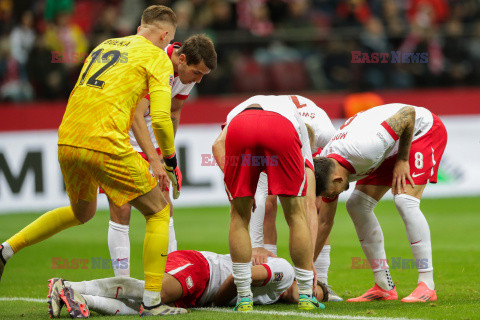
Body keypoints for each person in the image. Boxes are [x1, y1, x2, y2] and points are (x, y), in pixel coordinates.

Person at [0, 5, 186, 317]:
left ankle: (5, 250)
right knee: (158, 211)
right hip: (104, 141)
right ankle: (154, 303)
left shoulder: (105, 45)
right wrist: (167, 159)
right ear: (165, 35)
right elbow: (162, 121)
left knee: (81, 211)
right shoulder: (157, 57)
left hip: (68, 137)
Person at [105, 34, 217, 277]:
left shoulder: (185, 73)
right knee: (121, 208)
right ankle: (121, 283)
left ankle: (171, 277)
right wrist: (156, 161)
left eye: (202, 76)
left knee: (165, 207)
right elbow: (136, 116)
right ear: (182, 59)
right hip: (120, 138)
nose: (197, 81)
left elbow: (173, 112)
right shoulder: (156, 64)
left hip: (150, 142)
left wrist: (168, 157)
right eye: (197, 73)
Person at [313, 103, 447, 303]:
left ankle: (427, 284)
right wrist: (306, 267)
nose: (332, 197)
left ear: (338, 180)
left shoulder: (365, 148)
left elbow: (408, 114)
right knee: (356, 205)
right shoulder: (326, 167)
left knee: (405, 200)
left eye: (331, 193)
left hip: (421, 130)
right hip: (389, 145)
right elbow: (324, 222)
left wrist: (402, 160)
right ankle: (384, 286)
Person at [212, 95, 323, 312]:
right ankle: (306, 296)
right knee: (295, 216)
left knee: (239, 216)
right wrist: (309, 264)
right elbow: (309, 201)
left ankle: (244, 297)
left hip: (241, 127)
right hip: (281, 128)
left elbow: (217, 145)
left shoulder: (235, 111)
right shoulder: (296, 120)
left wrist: (238, 187)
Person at [247, 95, 343, 301]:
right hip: (274, 134)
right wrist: (256, 245)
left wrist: (307, 263)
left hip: (302, 136)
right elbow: (261, 196)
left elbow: (315, 204)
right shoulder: (273, 135)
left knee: (318, 205)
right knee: (270, 202)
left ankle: (321, 281)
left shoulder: (327, 136)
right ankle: (269, 269)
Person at [47, 249, 328, 317]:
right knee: (151, 292)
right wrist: (220, 300)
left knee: (143, 308)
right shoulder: (287, 273)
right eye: (317, 292)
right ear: (311, 279)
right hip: (201, 269)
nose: (313, 297)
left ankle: (79, 299)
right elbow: (238, 277)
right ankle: (72, 283)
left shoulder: (275, 299)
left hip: (198, 296)